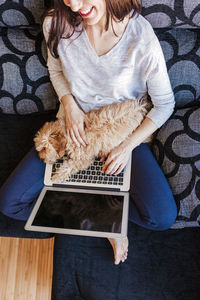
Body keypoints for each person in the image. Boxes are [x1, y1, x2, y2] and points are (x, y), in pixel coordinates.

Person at [0, 0, 177, 265]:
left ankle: (98, 216)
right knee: (9, 203)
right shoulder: (56, 22)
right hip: (70, 132)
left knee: (162, 216)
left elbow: (165, 104)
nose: (75, 6)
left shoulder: (141, 37)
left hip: (119, 134)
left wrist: (126, 146)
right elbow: (55, 68)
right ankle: (104, 223)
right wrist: (69, 105)